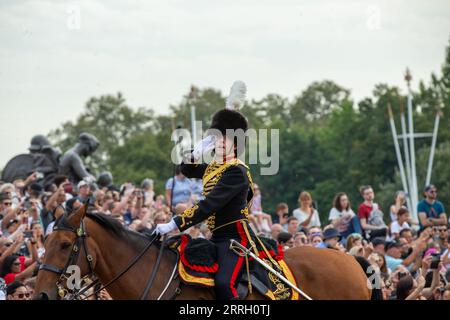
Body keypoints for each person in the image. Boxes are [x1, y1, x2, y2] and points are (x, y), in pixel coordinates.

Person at [154, 105, 275, 300]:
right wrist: (195, 153)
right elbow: (186, 170)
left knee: (224, 284)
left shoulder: (237, 171)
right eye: (217, 137)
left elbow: (210, 204)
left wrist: (175, 223)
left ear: (235, 145)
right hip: (215, 236)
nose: (218, 141)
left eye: (223, 138)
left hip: (235, 238)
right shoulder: (214, 168)